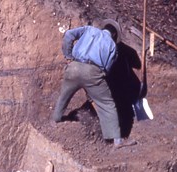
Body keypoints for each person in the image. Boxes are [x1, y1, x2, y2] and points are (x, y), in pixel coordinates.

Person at [52, 19, 137, 148]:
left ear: (104, 28)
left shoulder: (89, 29)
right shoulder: (113, 46)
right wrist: (95, 85)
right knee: (107, 104)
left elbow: (69, 35)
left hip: (74, 66)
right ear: (114, 35)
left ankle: (56, 119)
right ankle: (117, 141)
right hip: (94, 73)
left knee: (64, 95)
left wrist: (68, 56)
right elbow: (107, 69)